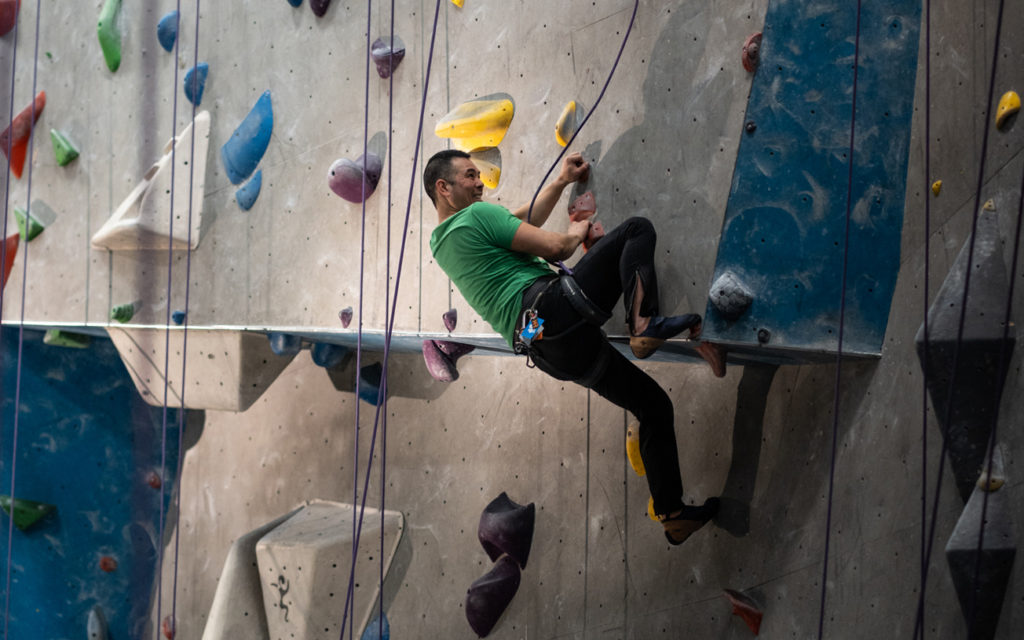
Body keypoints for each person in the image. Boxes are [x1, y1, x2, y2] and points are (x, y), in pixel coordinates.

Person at [425, 149, 725, 545]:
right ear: (444, 187)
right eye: (470, 175)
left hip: (547, 350)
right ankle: (644, 322)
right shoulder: (479, 215)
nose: (480, 182)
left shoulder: (443, 242)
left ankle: (672, 512)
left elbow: (520, 220)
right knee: (636, 229)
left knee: (653, 406)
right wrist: (578, 233)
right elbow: (556, 249)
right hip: (554, 309)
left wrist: (562, 181)